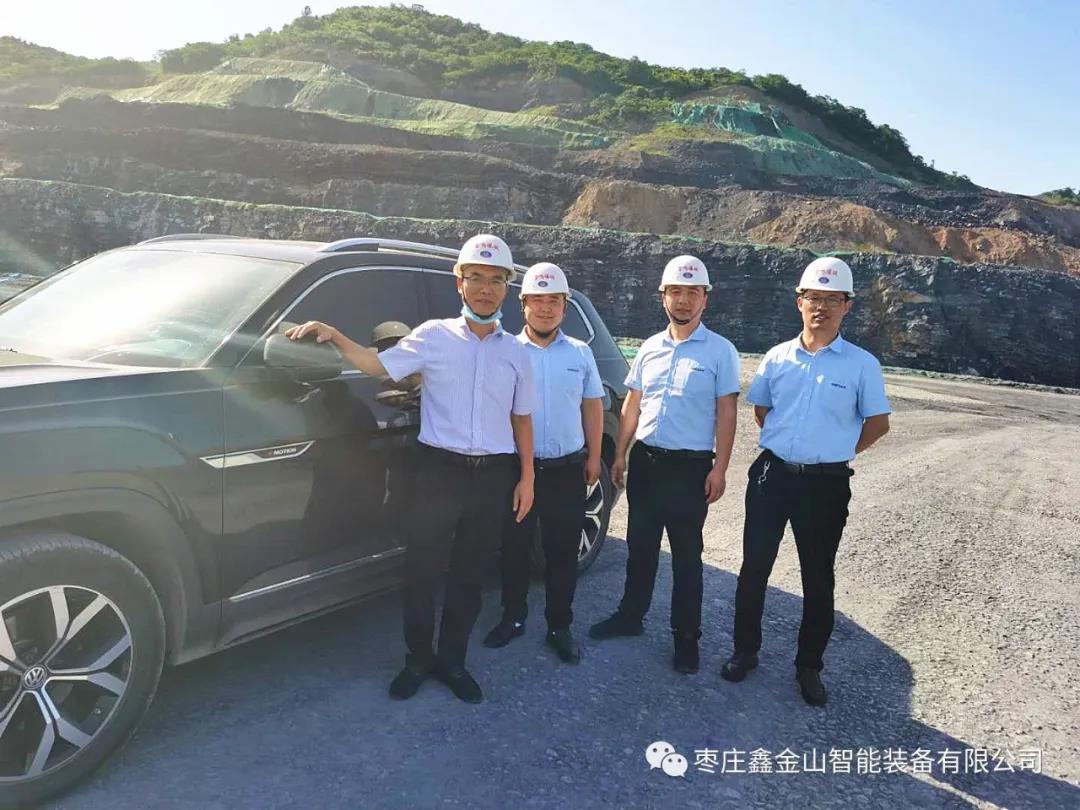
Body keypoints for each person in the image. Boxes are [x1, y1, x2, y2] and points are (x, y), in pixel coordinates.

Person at [286, 234, 536, 704]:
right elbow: (376, 365)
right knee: (423, 570)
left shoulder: (516, 352)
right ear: (459, 283)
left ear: (507, 288)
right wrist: (334, 334)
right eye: (476, 278)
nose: (485, 288)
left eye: (496, 280)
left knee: (469, 575)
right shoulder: (433, 336)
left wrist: (527, 478)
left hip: (493, 477)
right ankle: (418, 659)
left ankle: (453, 661)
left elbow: (522, 419)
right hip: (438, 471)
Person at [720, 256, 891, 706]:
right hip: (772, 475)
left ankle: (809, 666)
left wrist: (836, 451)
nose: (822, 307)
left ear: (847, 306)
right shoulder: (777, 357)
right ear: (799, 301)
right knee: (754, 567)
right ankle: (745, 651)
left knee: (818, 577)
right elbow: (762, 410)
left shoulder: (861, 365)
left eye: (833, 299)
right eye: (814, 297)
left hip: (825, 485)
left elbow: (878, 423)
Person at [588, 255, 739, 675]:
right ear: (663, 297)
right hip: (647, 463)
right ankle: (630, 615)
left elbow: (727, 412)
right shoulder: (650, 348)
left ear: (705, 299)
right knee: (640, 547)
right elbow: (633, 404)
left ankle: (686, 638)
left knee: (687, 557)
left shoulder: (720, 352)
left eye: (693, 292)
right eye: (676, 291)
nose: (684, 300)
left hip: (691, 469)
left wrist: (720, 468)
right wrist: (620, 453)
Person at [482, 262, 605, 665]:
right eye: (538, 300)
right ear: (523, 305)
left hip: (567, 469)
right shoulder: (507, 351)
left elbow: (592, 406)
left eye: (554, 301)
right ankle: (513, 617)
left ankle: (559, 626)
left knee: (562, 551)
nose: (546, 309)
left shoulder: (580, 353)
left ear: (564, 308)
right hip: (518, 470)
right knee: (514, 548)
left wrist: (595, 456)